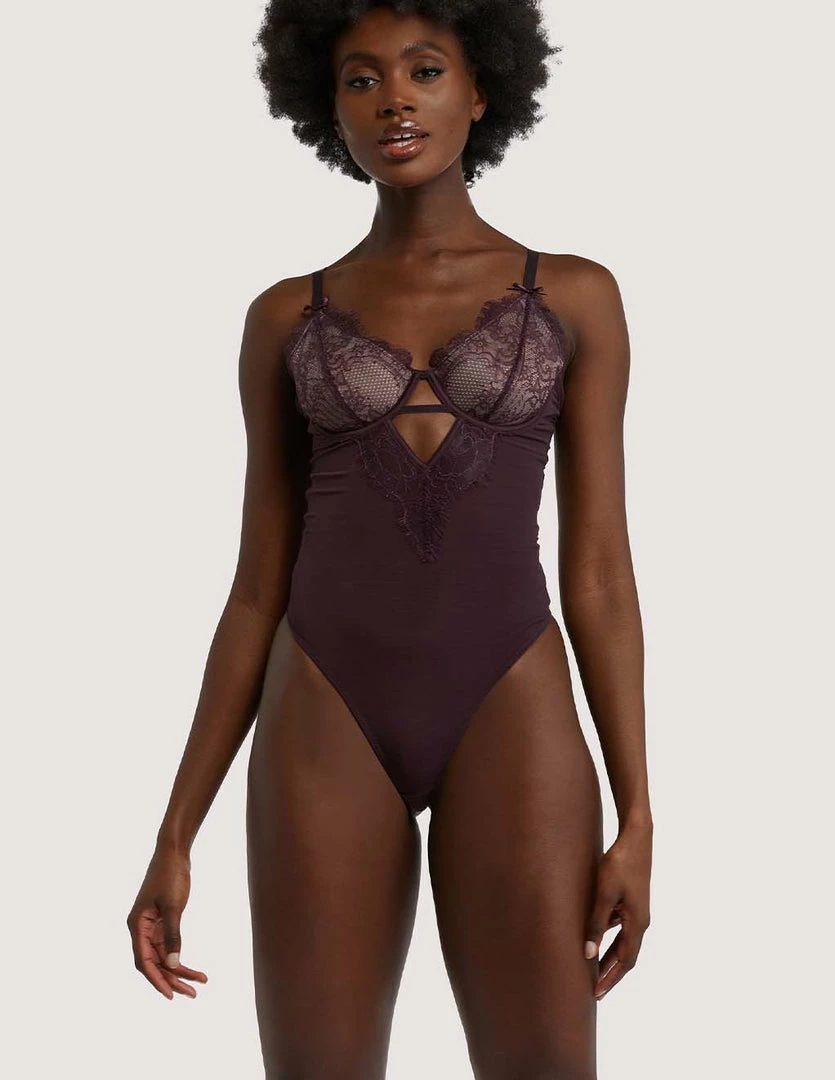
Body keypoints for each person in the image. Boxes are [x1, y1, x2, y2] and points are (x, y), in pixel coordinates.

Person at [127, 2, 653, 1077]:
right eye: (361, 79)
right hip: (324, 700)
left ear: (482, 89)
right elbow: (254, 587)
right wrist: (174, 832)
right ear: (327, 108)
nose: (394, 100)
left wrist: (638, 813)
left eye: (424, 70)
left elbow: (599, 570)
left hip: (511, 693)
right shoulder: (285, 316)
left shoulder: (575, 295)